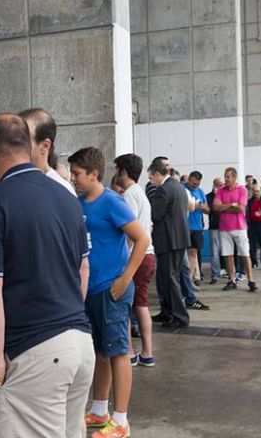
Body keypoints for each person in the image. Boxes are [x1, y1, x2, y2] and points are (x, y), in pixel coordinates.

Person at [0, 114, 94, 438]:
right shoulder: (67, 198)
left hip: (33, 350)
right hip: (80, 344)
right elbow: (83, 268)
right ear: (29, 146)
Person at [69, 147, 149, 438]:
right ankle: (99, 410)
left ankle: (121, 420)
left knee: (118, 353)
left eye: (77, 174)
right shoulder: (78, 203)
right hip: (90, 290)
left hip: (112, 290)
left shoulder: (112, 202)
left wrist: (125, 279)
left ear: (93, 174)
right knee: (100, 353)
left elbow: (141, 239)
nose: (73, 179)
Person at [114, 154, 156, 367]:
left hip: (137, 257)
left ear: (123, 171)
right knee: (141, 304)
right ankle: (146, 353)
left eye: (116, 170)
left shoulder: (129, 195)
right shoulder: (140, 193)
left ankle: (130, 353)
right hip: (148, 255)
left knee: (127, 306)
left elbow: (130, 232)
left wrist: (122, 258)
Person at [148, 159, 191, 327]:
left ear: (158, 174)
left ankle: (180, 316)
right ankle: (167, 312)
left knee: (170, 279)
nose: (152, 182)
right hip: (178, 239)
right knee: (168, 277)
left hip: (168, 240)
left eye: (152, 178)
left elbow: (156, 214)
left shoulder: (164, 189)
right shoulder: (178, 186)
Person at [214, 168, 258, 292]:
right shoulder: (221, 191)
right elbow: (216, 207)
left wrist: (225, 207)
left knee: (244, 253)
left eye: (228, 177)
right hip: (224, 228)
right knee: (228, 255)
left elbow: (240, 208)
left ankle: (251, 280)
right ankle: (231, 280)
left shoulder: (242, 190)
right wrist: (231, 205)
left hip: (239, 227)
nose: (226, 179)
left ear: (234, 177)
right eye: (225, 176)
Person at [19, 108, 77, 196]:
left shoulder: (63, 190)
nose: (16, 144)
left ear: (45, 146)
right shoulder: (8, 183)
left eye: (24, 139)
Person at [185, 171, 209, 285]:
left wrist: (204, 208)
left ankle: (190, 279)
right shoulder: (182, 189)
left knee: (193, 253)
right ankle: (184, 278)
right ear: (189, 180)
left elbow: (208, 210)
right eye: (193, 184)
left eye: (197, 184)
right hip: (184, 226)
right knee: (182, 254)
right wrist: (192, 206)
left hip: (197, 227)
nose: (195, 186)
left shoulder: (200, 192)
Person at [206, 177, 224, 284]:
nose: (221, 187)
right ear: (214, 186)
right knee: (214, 253)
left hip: (226, 226)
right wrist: (216, 197)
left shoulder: (226, 195)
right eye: (219, 185)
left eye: (222, 184)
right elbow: (210, 209)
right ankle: (215, 275)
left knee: (228, 252)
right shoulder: (209, 196)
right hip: (214, 227)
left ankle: (229, 272)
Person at [247, 186, 261, 270]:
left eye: (258, 191)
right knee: (252, 244)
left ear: (260, 192)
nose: (256, 193)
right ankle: (254, 262)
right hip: (252, 224)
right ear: (252, 192)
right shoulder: (249, 201)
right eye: (255, 191)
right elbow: (247, 212)